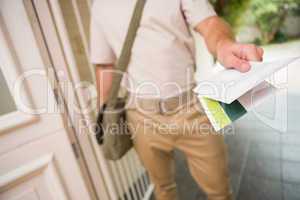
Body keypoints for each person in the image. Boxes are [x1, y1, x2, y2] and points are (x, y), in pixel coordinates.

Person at [90, 0, 264, 200]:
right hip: (140, 115)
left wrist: (223, 43)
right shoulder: (100, 6)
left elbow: (209, 23)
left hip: (191, 108)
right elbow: (104, 65)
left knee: (220, 192)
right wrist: (104, 114)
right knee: (163, 189)